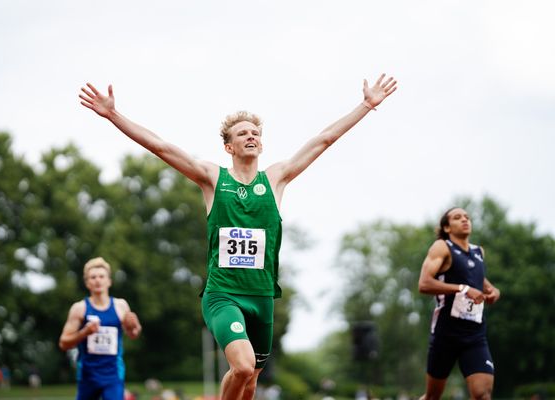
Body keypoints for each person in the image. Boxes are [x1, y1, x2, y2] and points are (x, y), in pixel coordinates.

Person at [79, 74, 397, 400]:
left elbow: (324, 139)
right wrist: (113, 114)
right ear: (229, 146)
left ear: (261, 143)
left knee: (250, 383)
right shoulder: (212, 179)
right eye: (242, 133)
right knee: (242, 367)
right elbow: (160, 146)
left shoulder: (275, 179)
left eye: (256, 133)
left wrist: (366, 105)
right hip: (223, 294)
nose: (251, 136)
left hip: (261, 297)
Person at [418, 207, 501, 400]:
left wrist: (494, 291)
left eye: (467, 217)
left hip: (474, 335)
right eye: (457, 218)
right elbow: (424, 283)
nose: (465, 220)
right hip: (446, 334)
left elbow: (478, 279)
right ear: (447, 227)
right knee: (432, 397)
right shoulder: (442, 247)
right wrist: (462, 289)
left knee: (482, 395)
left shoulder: (478, 251)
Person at [59, 257, 142, 400]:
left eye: (101, 276)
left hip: (113, 374)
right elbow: (63, 343)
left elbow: (133, 334)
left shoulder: (120, 306)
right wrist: (84, 332)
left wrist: (134, 325)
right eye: (93, 277)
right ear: (87, 283)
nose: (98, 280)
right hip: (88, 374)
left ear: (109, 281)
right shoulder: (80, 309)